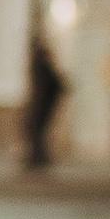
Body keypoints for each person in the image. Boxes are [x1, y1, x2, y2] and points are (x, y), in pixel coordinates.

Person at [24, 20, 69, 170]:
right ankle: (38, 158)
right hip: (43, 104)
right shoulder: (42, 63)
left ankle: (38, 159)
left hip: (42, 104)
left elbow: (53, 85)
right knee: (37, 131)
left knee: (37, 130)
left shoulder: (42, 64)